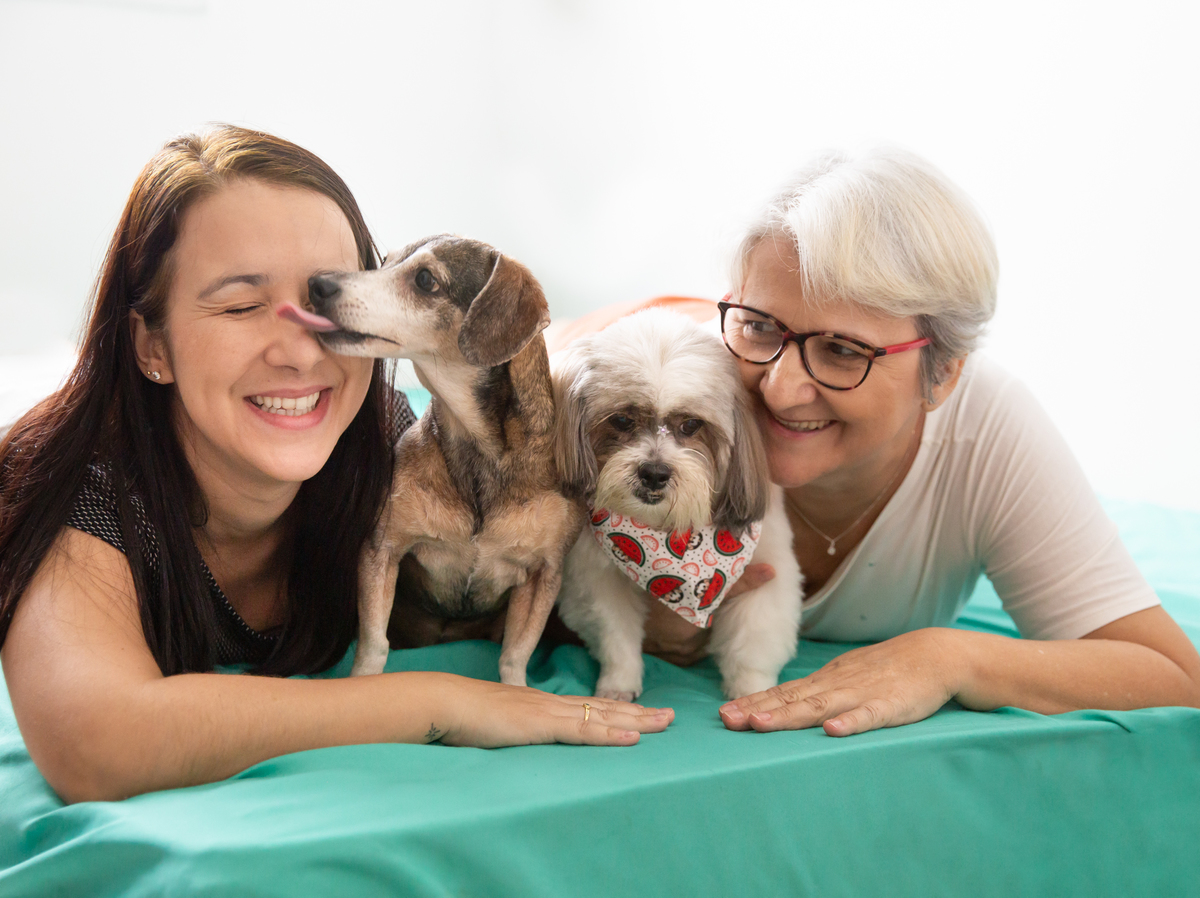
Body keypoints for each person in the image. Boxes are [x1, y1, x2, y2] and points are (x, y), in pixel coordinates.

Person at [0, 125, 672, 804]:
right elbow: (97, 745)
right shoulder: (83, 494)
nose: (301, 352)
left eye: (331, 300)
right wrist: (437, 705)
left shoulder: (396, 443)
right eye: (241, 306)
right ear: (153, 347)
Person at [552, 147, 1200, 736]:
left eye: (842, 351)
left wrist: (950, 657)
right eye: (758, 325)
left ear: (942, 373)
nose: (779, 388)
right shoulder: (659, 387)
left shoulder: (987, 436)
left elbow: (1174, 677)